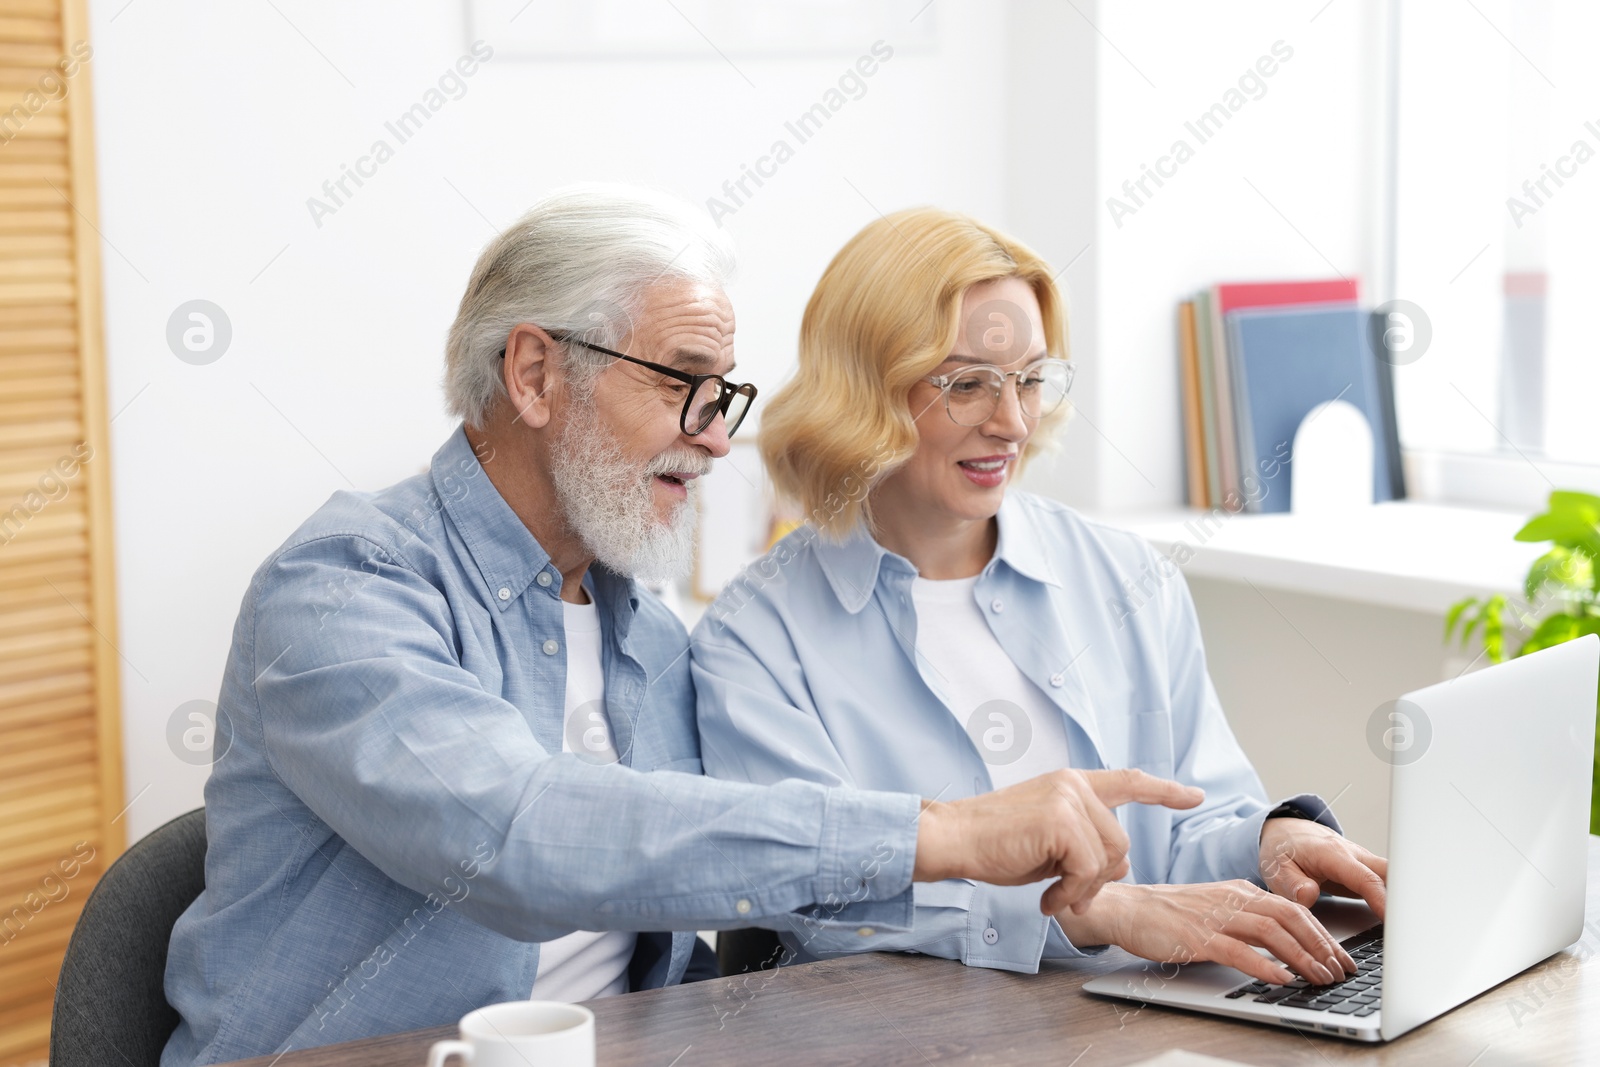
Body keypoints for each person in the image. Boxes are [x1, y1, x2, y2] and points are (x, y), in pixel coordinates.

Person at [160, 186, 1203, 1066]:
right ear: (534, 374)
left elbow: (737, 869)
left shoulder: (650, 640)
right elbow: (522, 835)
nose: (712, 440)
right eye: (682, 386)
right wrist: (951, 831)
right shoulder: (345, 582)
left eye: (724, 396)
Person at [691, 207, 1388, 987]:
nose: (1014, 422)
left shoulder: (1129, 576)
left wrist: (1268, 838)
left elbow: (1196, 822)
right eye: (968, 384)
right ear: (864, 393)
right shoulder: (753, 638)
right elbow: (818, 902)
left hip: (1156, 1027)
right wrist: (1089, 914)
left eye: (1029, 379)